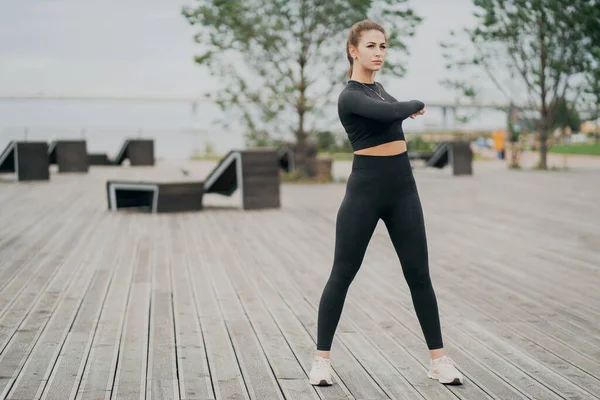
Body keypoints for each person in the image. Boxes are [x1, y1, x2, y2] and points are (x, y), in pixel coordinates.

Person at [308, 19, 464, 387]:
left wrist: (402, 107)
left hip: (403, 191)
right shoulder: (351, 96)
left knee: (419, 275)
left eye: (383, 46)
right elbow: (391, 113)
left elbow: (392, 110)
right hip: (364, 193)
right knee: (342, 275)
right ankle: (321, 359)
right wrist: (413, 104)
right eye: (371, 46)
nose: (378, 53)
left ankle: (439, 360)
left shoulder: (380, 90)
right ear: (353, 50)